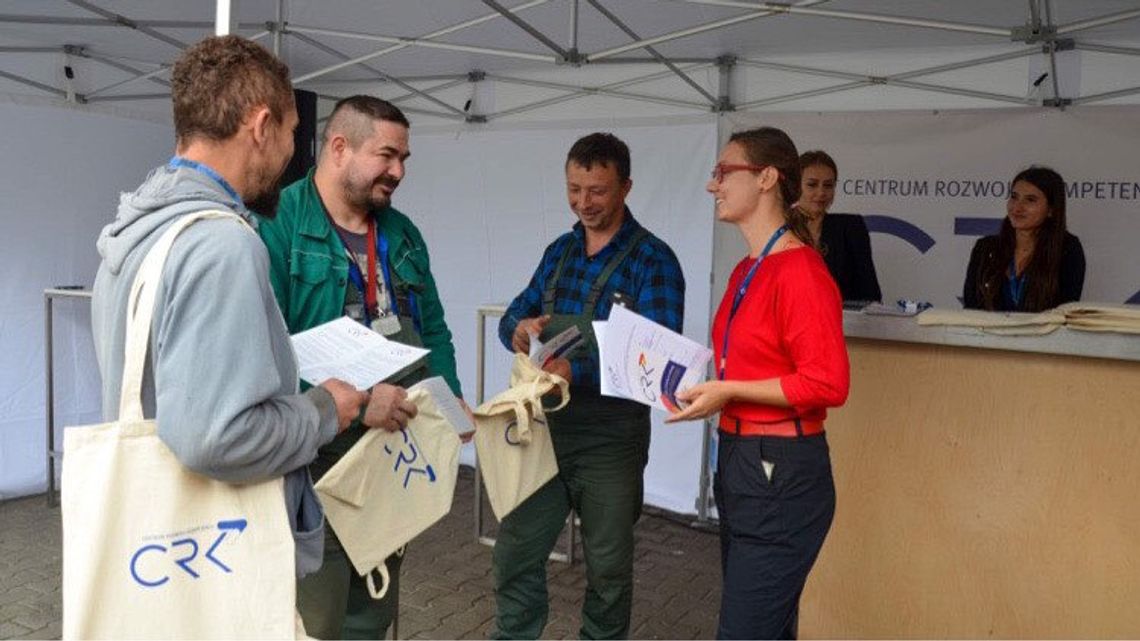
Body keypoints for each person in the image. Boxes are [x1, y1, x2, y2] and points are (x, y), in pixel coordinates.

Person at [91, 36, 403, 588]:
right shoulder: (222, 244)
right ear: (261, 127)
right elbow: (216, 437)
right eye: (290, 135)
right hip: (218, 554)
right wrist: (322, 410)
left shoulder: (138, 227)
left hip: (157, 551)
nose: (289, 156)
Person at [258, 95, 464, 640]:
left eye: (404, 159)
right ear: (339, 147)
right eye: (387, 155)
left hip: (389, 457)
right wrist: (347, 401)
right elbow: (261, 354)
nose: (398, 171)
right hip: (311, 462)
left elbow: (435, 329)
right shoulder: (275, 226)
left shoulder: (403, 233)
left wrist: (448, 401)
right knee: (315, 619)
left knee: (372, 613)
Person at [493, 132, 686, 639]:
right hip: (545, 431)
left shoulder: (654, 261)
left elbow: (658, 354)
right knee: (516, 551)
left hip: (610, 440)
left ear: (625, 187)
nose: (584, 203)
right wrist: (516, 327)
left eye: (597, 190)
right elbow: (518, 308)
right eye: (574, 189)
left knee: (608, 570)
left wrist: (575, 371)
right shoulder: (560, 251)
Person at [667, 127, 849, 639]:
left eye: (725, 172)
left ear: (767, 178)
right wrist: (712, 391)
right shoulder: (748, 268)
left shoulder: (801, 273)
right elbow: (746, 367)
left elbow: (828, 383)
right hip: (743, 459)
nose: (713, 185)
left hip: (781, 472)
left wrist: (729, 392)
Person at [963, 166, 1085, 312]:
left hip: (1043, 334)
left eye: (1030, 200)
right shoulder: (985, 247)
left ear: (1051, 210)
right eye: (1014, 197)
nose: (1017, 207)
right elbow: (971, 311)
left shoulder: (1067, 249)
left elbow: (1064, 311)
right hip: (986, 334)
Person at [798, 150, 882, 302]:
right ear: (795, 186)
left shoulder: (851, 228)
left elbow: (870, 292)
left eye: (828, 185)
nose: (821, 192)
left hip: (842, 322)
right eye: (812, 185)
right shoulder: (779, 227)